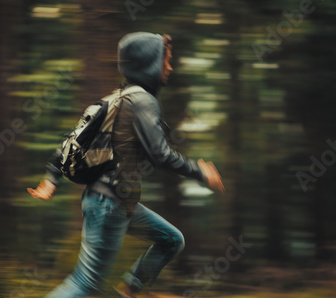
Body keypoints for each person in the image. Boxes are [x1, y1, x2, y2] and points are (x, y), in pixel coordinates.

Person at [27, 32, 224, 298]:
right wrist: (200, 172)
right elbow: (160, 154)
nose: (169, 67)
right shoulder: (142, 100)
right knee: (84, 284)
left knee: (171, 240)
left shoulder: (118, 99)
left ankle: (130, 288)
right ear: (149, 64)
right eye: (166, 61)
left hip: (115, 203)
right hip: (110, 205)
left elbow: (69, 140)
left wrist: (51, 179)